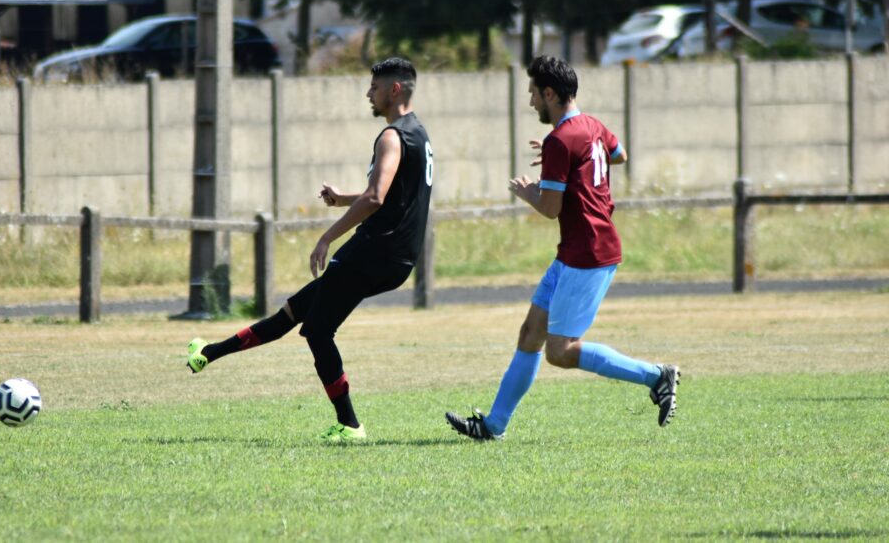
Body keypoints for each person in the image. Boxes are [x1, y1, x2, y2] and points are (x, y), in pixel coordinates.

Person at [186, 57, 433, 443]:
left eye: (374, 87)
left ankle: (350, 425)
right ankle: (208, 353)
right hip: (397, 257)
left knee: (317, 331)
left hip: (373, 251)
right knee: (295, 312)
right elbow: (392, 195)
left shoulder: (391, 136)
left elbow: (375, 198)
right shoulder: (419, 133)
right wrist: (342, 199)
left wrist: (327, 236)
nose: (369, 93)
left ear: (394, 90)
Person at [445, 56, 679, 441]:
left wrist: (527, 192)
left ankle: (656, 376)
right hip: (576, 250)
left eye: (534, 93)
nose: (532, 101)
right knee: (530, 333)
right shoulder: (591, 127)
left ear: (550, 93)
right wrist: (568, 160)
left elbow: (550, 208)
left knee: (560, 351)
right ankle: (492, 426)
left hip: (587, 254)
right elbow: (619, 155)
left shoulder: (560, 140)